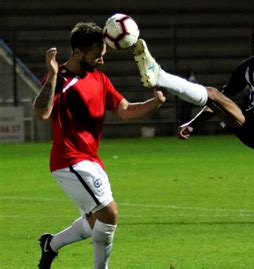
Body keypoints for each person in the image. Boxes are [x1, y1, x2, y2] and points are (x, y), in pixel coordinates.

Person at [134, 15, 254, 269]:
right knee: (212, 93)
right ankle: (160, 76)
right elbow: (222, 97)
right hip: (251, 123)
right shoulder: (248, 67)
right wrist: (193, 124)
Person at [33, 22, 165, 269]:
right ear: (78, 53)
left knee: (97, 222)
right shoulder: (60, 78)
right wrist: (51, 76)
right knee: (109, 214)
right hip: (69, 160)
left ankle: (50, 244)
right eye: (98, 55)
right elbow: (41, 112)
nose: (102, 61)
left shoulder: (100, 79)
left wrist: (153, 103)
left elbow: (124, 110)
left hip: (91, 159)